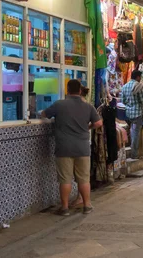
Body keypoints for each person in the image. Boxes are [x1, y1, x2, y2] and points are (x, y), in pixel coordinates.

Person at [42, 79, 103, 216]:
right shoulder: (88, 107)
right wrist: (88, 127)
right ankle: (87, 205)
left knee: (65, 179)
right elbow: (98, 123)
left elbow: (44, 114)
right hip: (82, 148)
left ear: (67, 90)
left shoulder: (59, 104)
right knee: (83, 178)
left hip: (64, 148)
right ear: (80, 91)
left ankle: (64, 208)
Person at [121, 70, 143, 159]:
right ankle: (134, 154)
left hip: (128, 113)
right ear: (138, 77)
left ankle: (133, 152)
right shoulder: (140, 86)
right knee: (135, 134)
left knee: (132, 132)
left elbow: (123, 101)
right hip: (137, 113)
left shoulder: (125, 86)